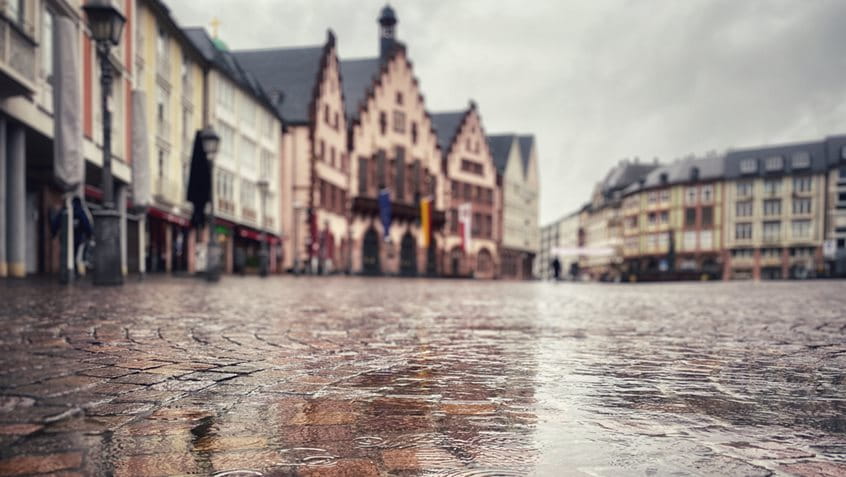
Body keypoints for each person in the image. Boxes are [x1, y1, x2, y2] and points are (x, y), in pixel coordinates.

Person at [51, 196, 94, 277]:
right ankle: (73, 272)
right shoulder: (81, 212)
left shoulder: (65, 211)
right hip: (77, 239)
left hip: (65, 239)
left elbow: (56, 222)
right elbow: (86, 224)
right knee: (75, 255)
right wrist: (89, 235)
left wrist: (54, 233)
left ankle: (65, 272)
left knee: (65, 254)